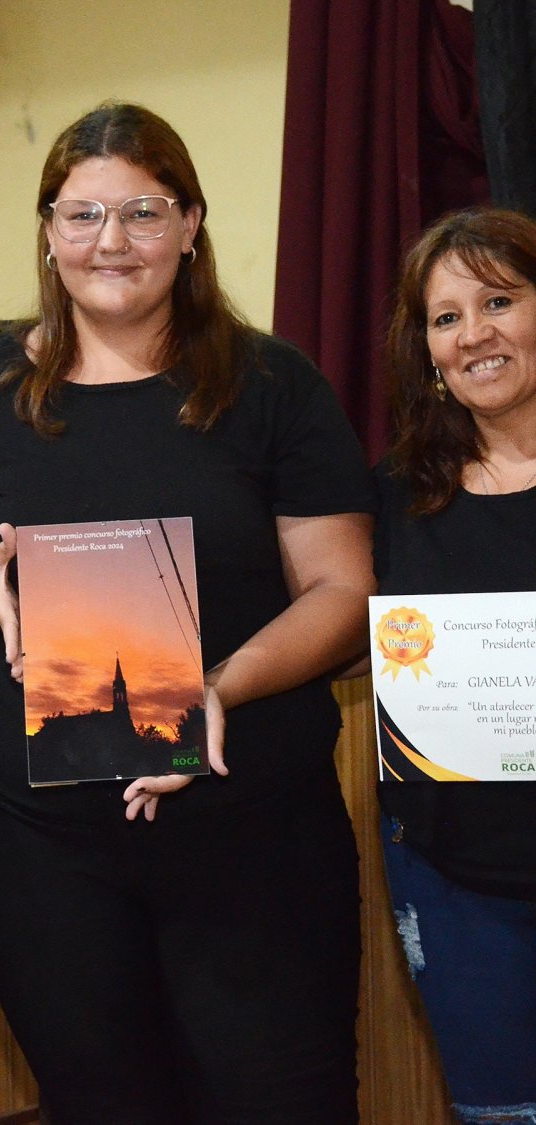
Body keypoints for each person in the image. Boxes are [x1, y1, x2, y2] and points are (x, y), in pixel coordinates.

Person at [0, 102, 376, 1125]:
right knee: (100, 1103)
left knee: (282, 1099)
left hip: (251, 836)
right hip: (37, 849)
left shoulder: (275, 386)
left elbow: (343, 592)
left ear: (193, 224)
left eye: (145, 212)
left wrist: (216, 686)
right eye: (81, 215)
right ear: (48, 230)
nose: (111, 242)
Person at [375, 208, 536, 1124]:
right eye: (445, 317)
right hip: (456, 876)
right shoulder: (396, 495)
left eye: (499, 300)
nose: (474, 333)